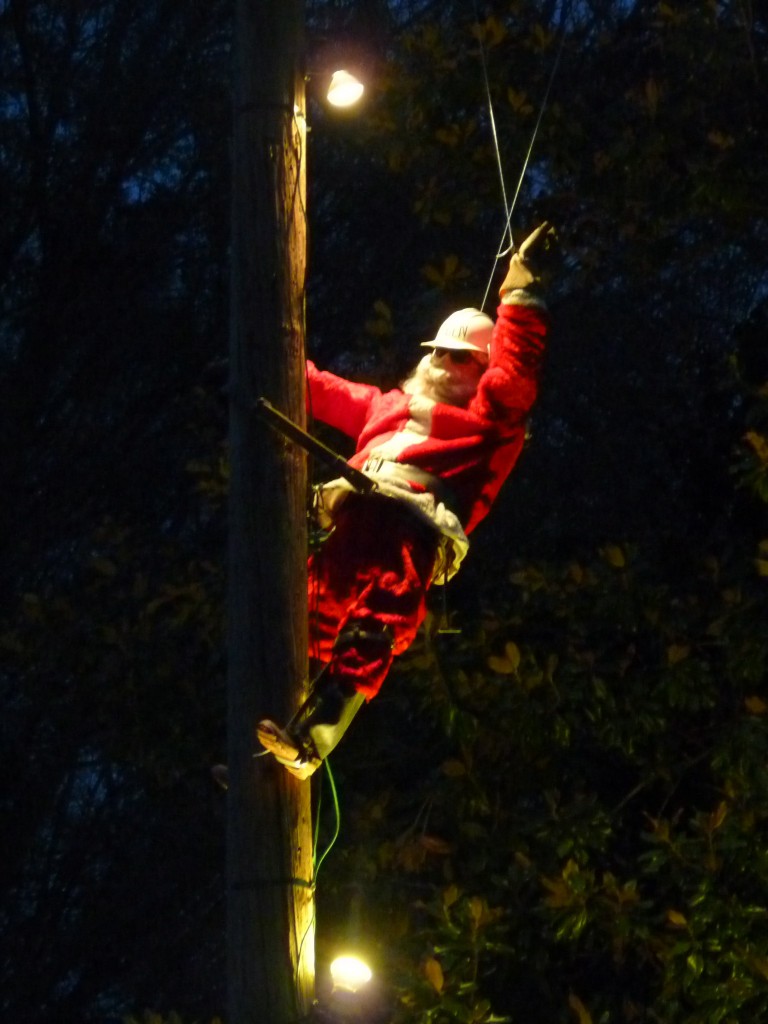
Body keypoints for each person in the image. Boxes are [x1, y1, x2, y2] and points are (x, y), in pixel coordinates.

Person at [257, 222, 556, 779]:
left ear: (481, 371)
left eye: (464, 359)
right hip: (352, 522)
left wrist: (521, 291)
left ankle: (313, 741)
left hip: (413, 532)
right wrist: (257, 372)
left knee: (377, 625)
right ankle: (263, 754)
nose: (447, 362)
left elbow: (515, 376)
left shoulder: (488, 428)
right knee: (301, 614)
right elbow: (317, 389)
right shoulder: (384, 406)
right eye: (443, 352)